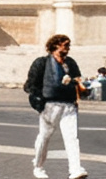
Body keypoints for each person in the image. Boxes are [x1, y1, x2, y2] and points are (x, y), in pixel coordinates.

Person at [26, 32, 88, 179]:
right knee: (44, 136)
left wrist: (79, 86)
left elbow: (78, 80)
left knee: (72, 137)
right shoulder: (41, 63)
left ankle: (75, 169)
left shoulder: (70, 63)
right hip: (50, 104)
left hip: (69, 104)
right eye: (65, 45)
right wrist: (39, 102)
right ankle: (38, 167)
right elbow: (31, 84)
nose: (68, 48)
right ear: (55, 45)